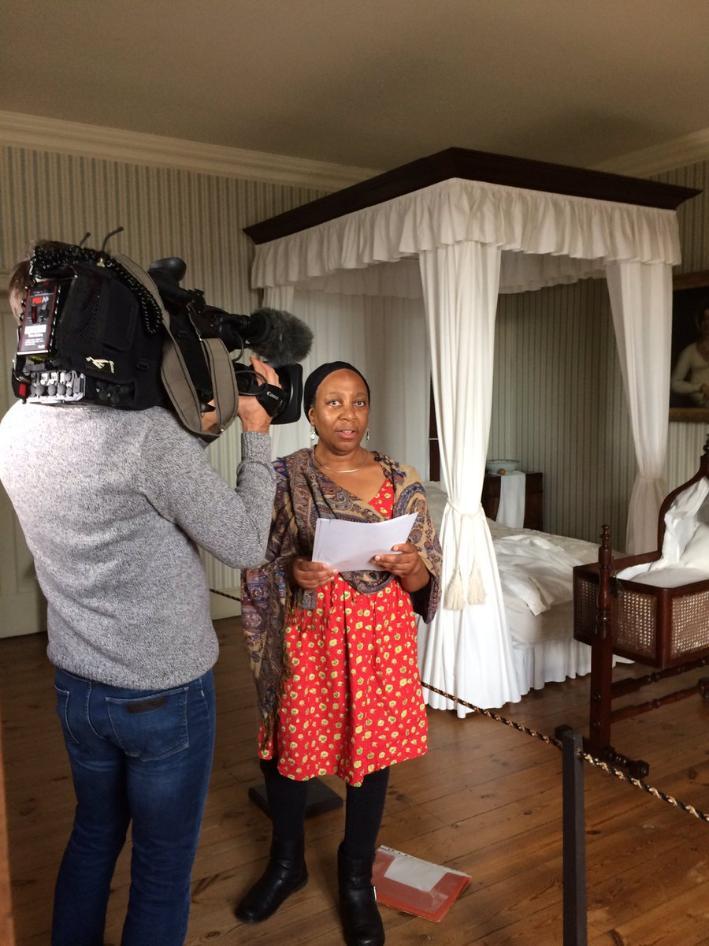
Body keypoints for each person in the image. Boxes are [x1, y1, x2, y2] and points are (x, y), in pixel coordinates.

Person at [0, 258, 279, 946]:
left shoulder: (15, 424)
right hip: (164, 694)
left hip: (77, 686)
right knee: (160, 867)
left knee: (93, 835)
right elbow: (245, 542)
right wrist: (259, 433)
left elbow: (143, 482)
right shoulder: (143, 439)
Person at [238, 361, 442, 946]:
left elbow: (428, 571)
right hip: (309, 636)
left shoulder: (403, 479)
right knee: (289, 751)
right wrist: (294, 572)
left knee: (370, 755)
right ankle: (287, 863)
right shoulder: (283, 477)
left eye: (357, 402)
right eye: (332, 402)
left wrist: (412, 566)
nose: (346, 414)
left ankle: (356, 879)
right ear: (309, 413)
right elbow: (256, 556)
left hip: (381, 639)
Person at [671, 306, 709, 406]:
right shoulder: (689, 351)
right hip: (699, 408)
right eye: (704, 320)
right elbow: (675, 384)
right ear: (700, 324)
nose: (707, 324)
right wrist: (700, 387)